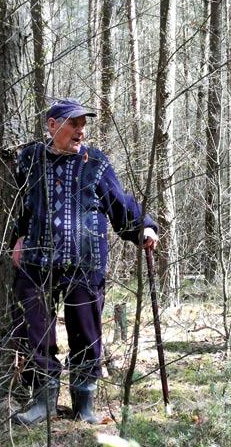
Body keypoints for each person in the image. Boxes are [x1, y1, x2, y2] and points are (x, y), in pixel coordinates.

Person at [10, 98, 158, 426]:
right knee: (36, 333)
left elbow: (120, 204)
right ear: (52, 125)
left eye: (83, 124)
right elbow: (19, 206)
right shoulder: (30, 159)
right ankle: (43, 402)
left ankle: (83, 403)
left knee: (86, 333)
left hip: (85, 263)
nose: (81, 130)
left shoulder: (97, 163)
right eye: (73, 123)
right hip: (37, 262)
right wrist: (16, 239)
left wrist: (144, 226)